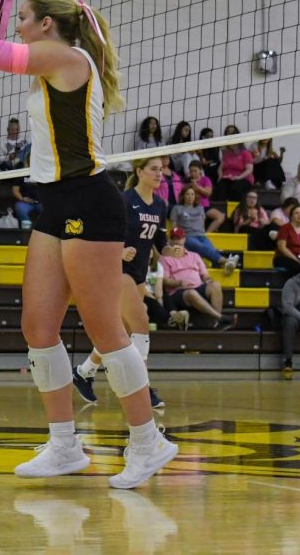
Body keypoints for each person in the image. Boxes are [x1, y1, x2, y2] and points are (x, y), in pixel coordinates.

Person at [0, 0, 176, 489]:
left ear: (48, 25)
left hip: (88, 199)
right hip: (55, 204)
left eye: (24, 20)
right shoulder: (56, 63)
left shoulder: (67, 59)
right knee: (37, 326)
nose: (19, 26)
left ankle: (148, 442)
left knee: (105, 328)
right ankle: (64, 446)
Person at [73, 156, 170, 410]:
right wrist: (118, 252)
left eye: (162, 170)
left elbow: (161, 244)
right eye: (154, 169)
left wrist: (174, 251)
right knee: (141, 324)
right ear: (139, 172)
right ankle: (142, 387)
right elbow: (99, 233)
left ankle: (84, 372)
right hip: (117, 269)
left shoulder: (160, 204)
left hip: (138, 273)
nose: (160, 174)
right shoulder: (125, 201)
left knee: (122, 333)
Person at [158, 229, 234, 329]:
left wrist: (209, 280)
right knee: (191, 293)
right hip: (177, 292)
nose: (176, 241)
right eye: (173, 238)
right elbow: (165, 281)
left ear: (184, 239)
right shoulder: (164, 258)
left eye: (179, 238)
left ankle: (216, 323)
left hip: (197, 287)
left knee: (215, 285)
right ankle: (219, 317)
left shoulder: (194, 256)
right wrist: (179, 282)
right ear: (170, 240)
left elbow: (205, 275)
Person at [169, 185, 235, 273]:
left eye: (192, 194)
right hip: (187, 237)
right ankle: (226, 261)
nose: (190, 197)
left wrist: (203, 235)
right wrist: (175, 240)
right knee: (203, 247)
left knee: (211, 249)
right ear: (183, 196)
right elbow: (174, 227)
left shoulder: (200, 208)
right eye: (187, 194)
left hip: (201, 236)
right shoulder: (177, 208)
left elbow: (202, 225)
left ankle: (224, 265)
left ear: (195, 196)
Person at [185, 161, 225, 233]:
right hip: (193, 206)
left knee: (220, 217)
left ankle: (207, 234)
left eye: (195, 171)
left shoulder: (205, 179)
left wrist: (198, 187)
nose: (193, 173)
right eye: (191, 171)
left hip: (205, 206)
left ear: (200, 170)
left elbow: (208, 193)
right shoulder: (187, 181)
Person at [215, 126, 254, 201]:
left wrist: (238, 177)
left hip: (243, 178)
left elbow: (249, 170)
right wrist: (220, 176)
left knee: (235, 187)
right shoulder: (227, 153)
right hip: (228, 178)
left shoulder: (245, 153)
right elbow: (220, 168)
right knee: (221, 186)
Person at [274, 204, 300, 275]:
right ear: (291, 216)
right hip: (285, 257)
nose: (299, 215)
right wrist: (296, 259)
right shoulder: (285, 228)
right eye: (296, 213)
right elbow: (282, 248)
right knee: (299, 268)